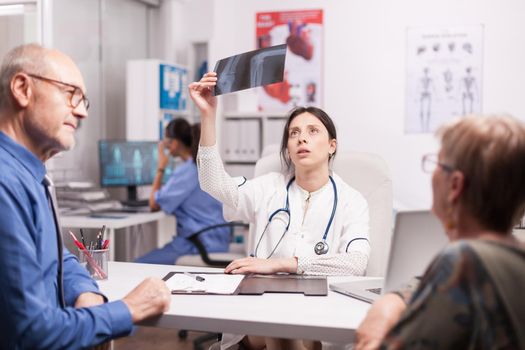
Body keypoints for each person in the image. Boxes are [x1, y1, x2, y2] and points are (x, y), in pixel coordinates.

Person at [0, 44, 170, 349]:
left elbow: (56, 255)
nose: (81, 111)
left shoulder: (29, 175)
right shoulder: (5, 184)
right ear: (22, 88)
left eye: (84, 100)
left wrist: (83, 290)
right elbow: (30, 332)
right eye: (70, 94)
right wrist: (129, 309)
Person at [190, 72, 370, 349]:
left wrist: (282, 264)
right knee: (278, 327)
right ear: (287, 146)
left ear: (332, 146)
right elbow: (213, 183)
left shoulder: (351, 200)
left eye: (313, 131)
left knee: (287, 330)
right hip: (263, 309)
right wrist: (208, 116)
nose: (301, 139)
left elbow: (356, 263)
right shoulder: (268, 188)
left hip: (321, 313)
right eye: (294, 133)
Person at [356, 115, 525, 350]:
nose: (433, 173)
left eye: (438, 163)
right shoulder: (511, 257)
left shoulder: (464, 260)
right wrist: (394, 299)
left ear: (455, 186)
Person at [135, 118, 230, 265]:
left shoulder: (186, 171)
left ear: (175, 143)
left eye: (166, 140)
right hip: (215, 239)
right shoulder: (200, 167)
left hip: (199, 244)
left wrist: (161, 166)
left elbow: (154, 204)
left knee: (137, 264)